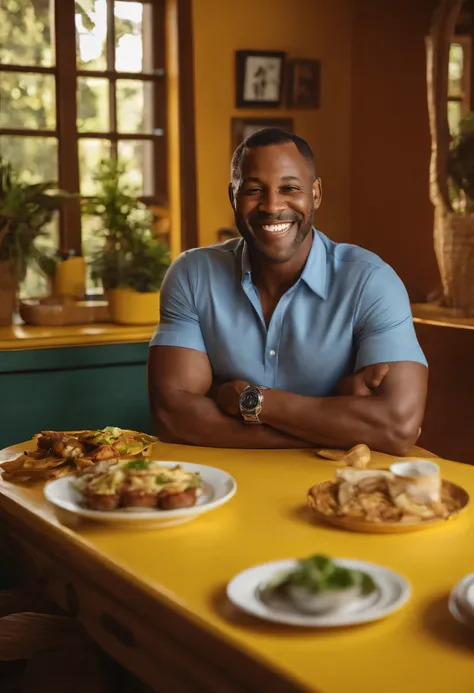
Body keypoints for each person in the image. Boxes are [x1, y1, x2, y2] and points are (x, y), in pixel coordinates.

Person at [148, 128, 428, 454]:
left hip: (341, 487)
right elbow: (172, 416)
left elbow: (397, 426)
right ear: (233, 197)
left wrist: (251, 400)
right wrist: (337, 423)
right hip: (224, 485)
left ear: (316, 193)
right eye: (254, 190)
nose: (272, 206)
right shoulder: (192, 275)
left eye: (289, 188)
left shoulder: (372, 282)